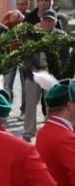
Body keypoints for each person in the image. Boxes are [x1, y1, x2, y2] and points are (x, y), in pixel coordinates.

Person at [21, 10, 66, 141]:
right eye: (45, 20)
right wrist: (32, 68)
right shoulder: (32, 35)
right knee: (30, 104)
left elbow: (65, 58)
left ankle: (50, 131)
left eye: (51, 20)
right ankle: (28, 132)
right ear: (41, 21)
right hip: (33, 74)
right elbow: (25, 55)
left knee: (52, 104)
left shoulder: (61, 36)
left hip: (52, 76)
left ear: (56, 21)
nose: (48, 23)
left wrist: (55, 70)